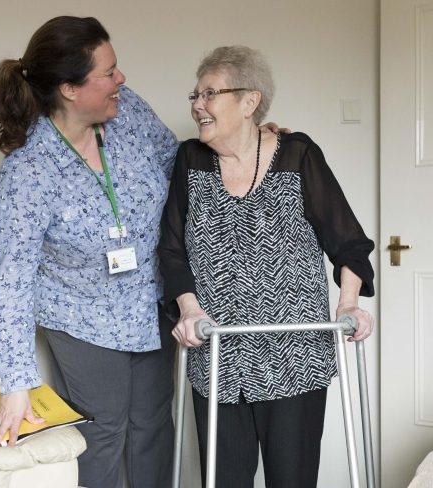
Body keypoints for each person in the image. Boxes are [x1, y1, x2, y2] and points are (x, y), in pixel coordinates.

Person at [158, 46, 376, 488]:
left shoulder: (298, 155)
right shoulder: (190, 160)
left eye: (209, 94)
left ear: (249, 101)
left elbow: (349, 242)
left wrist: (348, 303)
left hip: (295, 359)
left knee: (292, 481)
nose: (197, 105)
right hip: (217, 357)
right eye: (194, 95)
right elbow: (172, 251)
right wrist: (188, 308)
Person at [0, 16, 179, 488]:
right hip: (83, 316)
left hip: (153, 302)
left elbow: (179, 163)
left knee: (153, 427)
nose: (120, 80)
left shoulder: (127, 111)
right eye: (107, 73)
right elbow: (11, 283)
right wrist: (15, 385)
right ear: (69, 88)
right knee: (104, 432)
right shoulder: (27, 175)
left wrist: (246, 145)